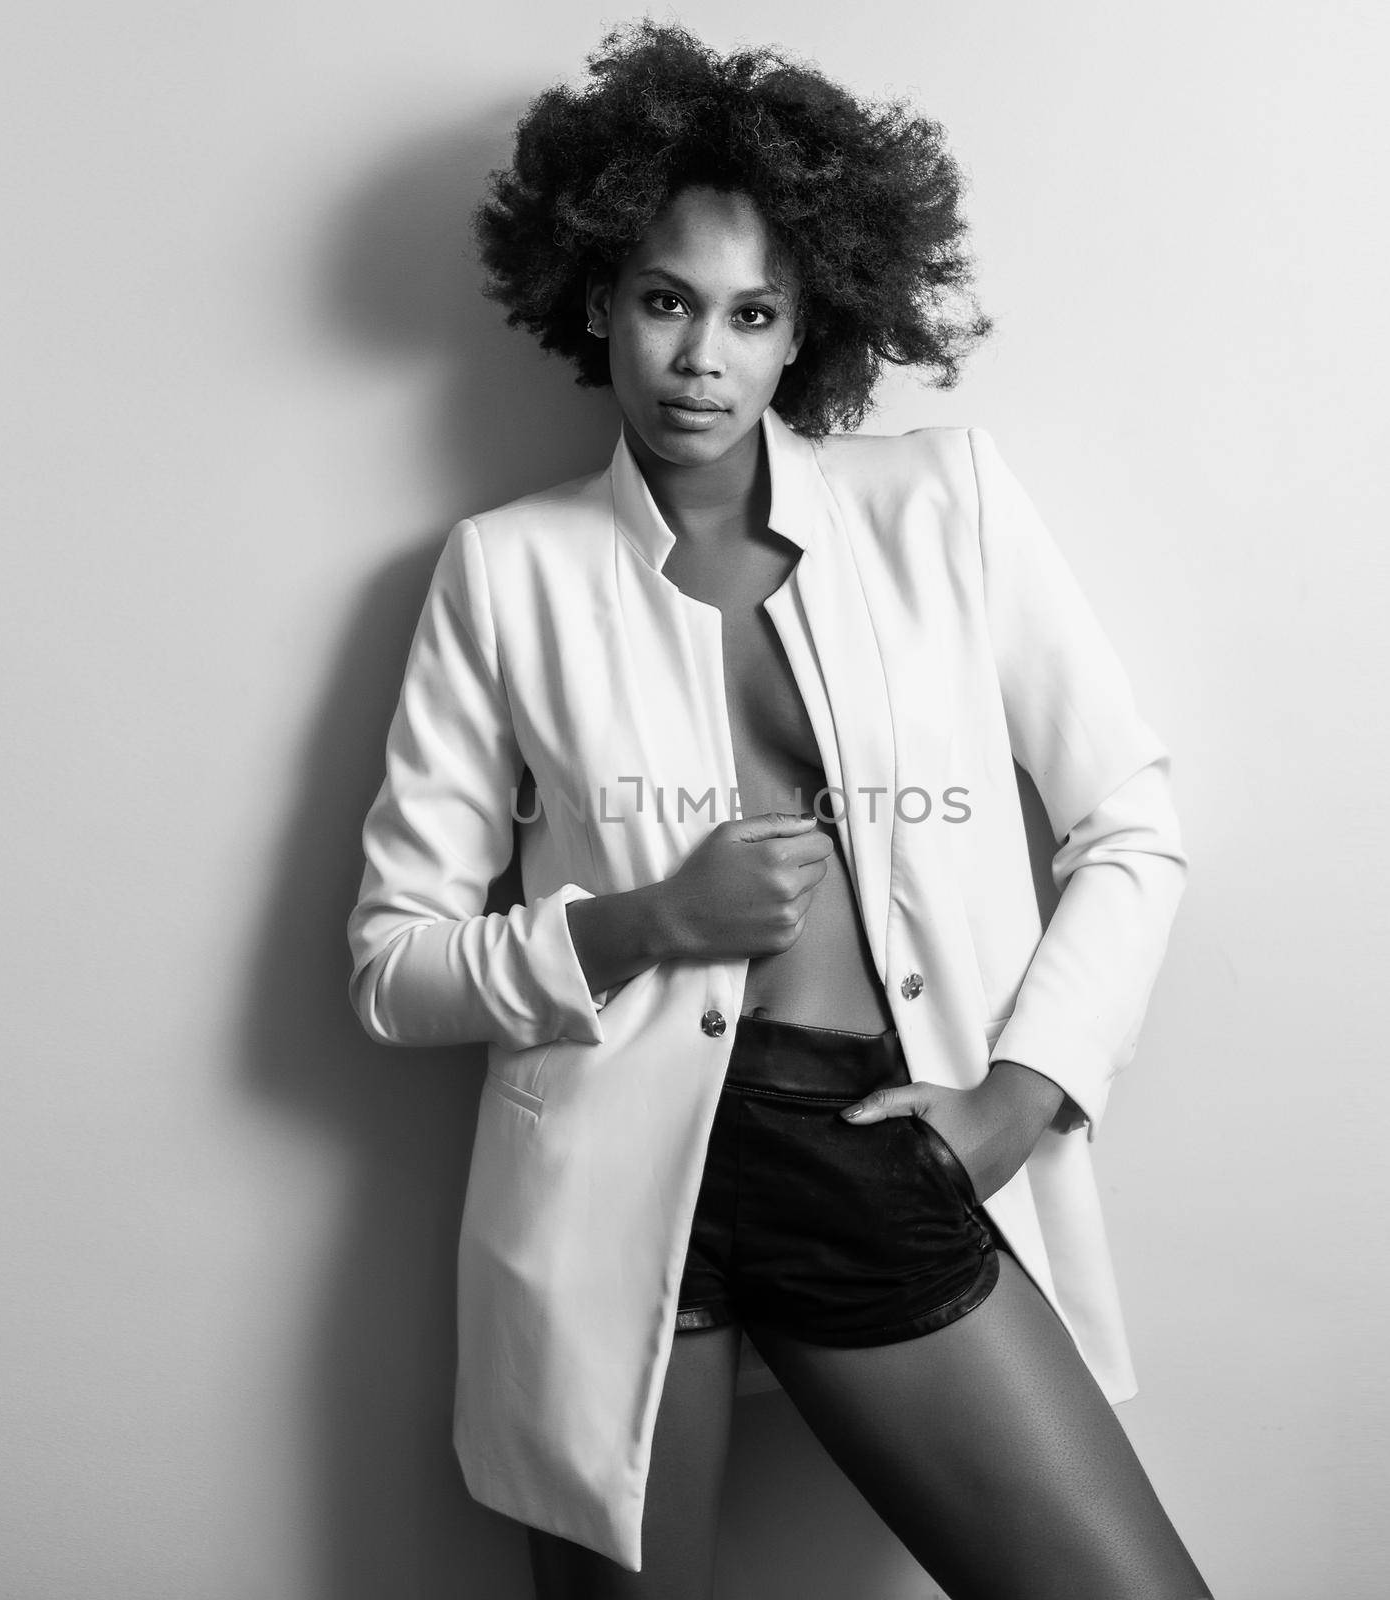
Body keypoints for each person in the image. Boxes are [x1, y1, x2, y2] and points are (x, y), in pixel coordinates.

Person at [347, 21, 1213, 1600]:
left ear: (807, 326)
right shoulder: (503, 572)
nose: (701, 358)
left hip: (872, 1146)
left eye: (753, 315)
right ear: (599, 291)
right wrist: (647, 923)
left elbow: (1129, 823)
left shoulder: (939, 506)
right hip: (611, 1200)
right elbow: (393, 964)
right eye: (668, 300)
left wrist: (1018, 1101)